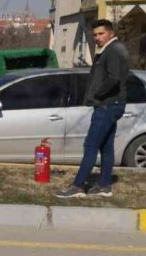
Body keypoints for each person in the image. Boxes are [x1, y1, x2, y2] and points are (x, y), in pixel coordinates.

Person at [56, 19, 131, 199]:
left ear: (111, 33)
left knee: (91, 145)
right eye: (95, 35)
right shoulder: (110, 50)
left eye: (101, 34)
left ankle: (78, 186)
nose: (97, 38)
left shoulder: (112, 51)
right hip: (110, 104)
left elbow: (113, 79)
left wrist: (97, 93)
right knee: (106, 146)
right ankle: (104, 185)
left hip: (107, 105)